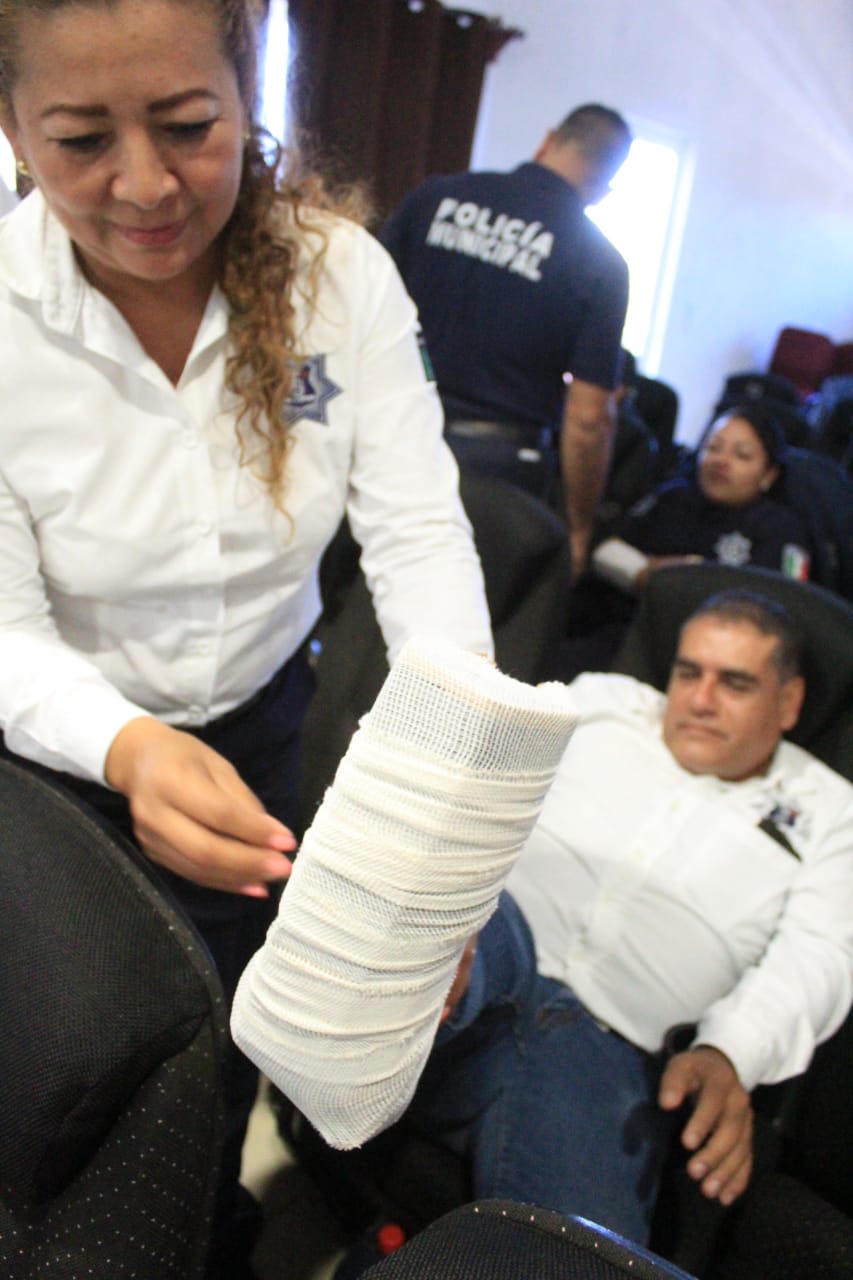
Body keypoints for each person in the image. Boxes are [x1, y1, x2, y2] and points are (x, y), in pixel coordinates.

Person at [0, 0, 491, 1274]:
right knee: (76, 1063)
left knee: (228, 1036)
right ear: (12, 128)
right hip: (62, 756)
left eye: (187, 124)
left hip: (266, 722)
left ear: (249, 91)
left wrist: (448, 834)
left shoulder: (341, 279)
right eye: (80, 139)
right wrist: (127, 748)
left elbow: (420, 544)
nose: (146, 186)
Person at [403, 590, 853, 1246]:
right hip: (488, 954)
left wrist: (731, 1051)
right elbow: (475, 789)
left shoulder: (832, 812)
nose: (699, 700)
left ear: (788, 702)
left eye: (734, 683)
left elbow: (816, 956)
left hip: (609, 1051)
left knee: (574, 1242)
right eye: (687, 673)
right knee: (458, 932)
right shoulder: (602, 704)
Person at [379, 104, 632, 576]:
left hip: (388, 438)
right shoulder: (600, 263)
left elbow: (354, 310)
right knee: (452, 615)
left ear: (548, 140)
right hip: (493, 474)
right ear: (605, 185)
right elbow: (587, 418)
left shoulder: (437, 195)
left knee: (354, 600)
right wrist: (578, 528)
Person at [593, 402, 814, 594]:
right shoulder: (672, 497)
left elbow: (778, 599)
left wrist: (688, 575)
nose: (721, 461)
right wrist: (643, 573)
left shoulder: (781, 528)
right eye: (713, 447)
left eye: (742, 455)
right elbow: (604, 549)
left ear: (769, 474)